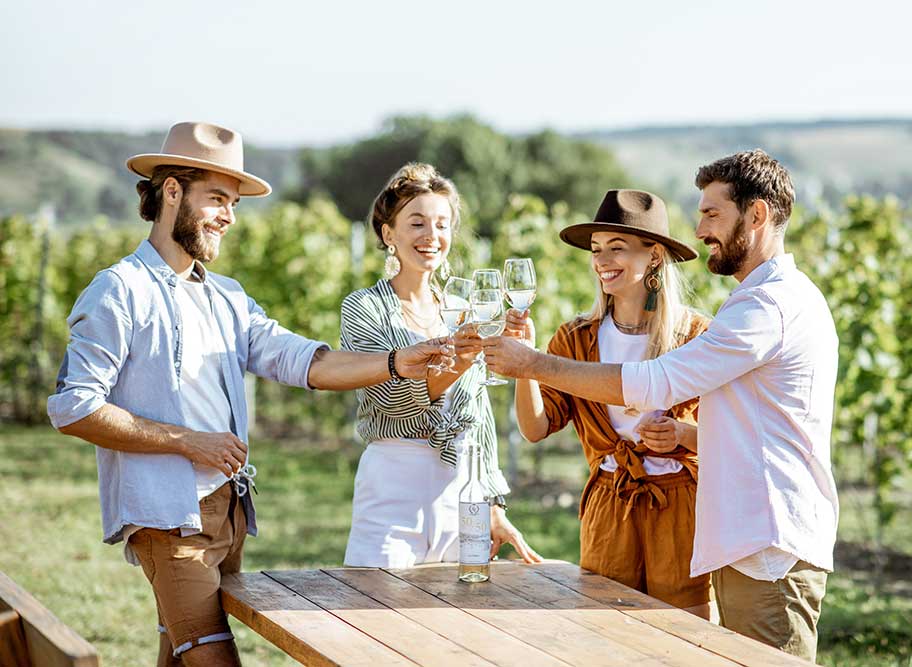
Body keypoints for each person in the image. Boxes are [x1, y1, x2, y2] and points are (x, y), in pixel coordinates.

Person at [47, 122, 451, 667]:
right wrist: (190, 442)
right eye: (217, 198)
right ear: (172, 191)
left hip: (228, 512)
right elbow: (74, 407)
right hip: (171, 520)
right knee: (212, 656)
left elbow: (305, 360)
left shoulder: (228, 298)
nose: (229, 216)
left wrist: (397, 362)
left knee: (181, 652)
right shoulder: (120, 289)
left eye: (234, 203)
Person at [483, 150, 838, 662]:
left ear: (756, 215)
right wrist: (533, 364)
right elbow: (738, 425)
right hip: (743, 534)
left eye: (712, 214)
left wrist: (531, 364)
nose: (701, 229)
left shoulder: (764, 307)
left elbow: (656, 382)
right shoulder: (758, 301)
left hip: (766, 539)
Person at [503, 189, 711, 618]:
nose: (601, 261)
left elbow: (731, 436)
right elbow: (535, 428)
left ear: (654, 256)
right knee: (606, 634)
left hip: (679, 509)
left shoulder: (696, 336)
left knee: (685, 638)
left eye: (617, 248)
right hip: (610, 506)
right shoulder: (576, 338)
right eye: (596, 250)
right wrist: (526, 363)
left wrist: (682, 435)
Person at [339, 163, 542, 569]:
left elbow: (479, 417)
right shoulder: (363, 308)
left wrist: (493, 503)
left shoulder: (465, 312)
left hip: (461, 494)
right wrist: (460, 362)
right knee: (376, 616)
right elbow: (390, 398)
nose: (432, 236)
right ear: (388, 234)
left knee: (458, 621)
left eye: (442, 225)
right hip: (393, 487)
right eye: (417, 223)